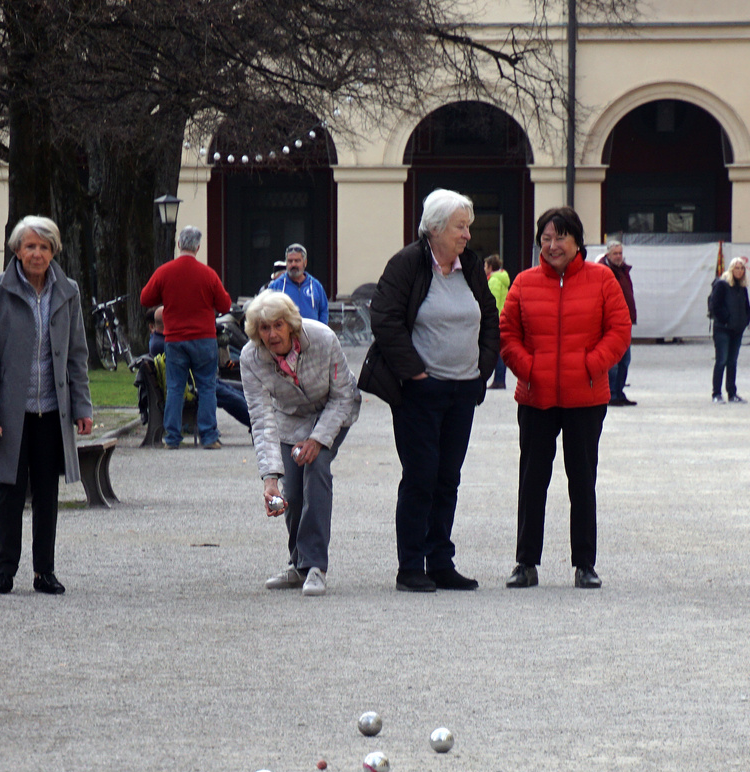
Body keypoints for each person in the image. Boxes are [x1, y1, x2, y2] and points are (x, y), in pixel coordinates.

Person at [358, 188, 499, 593]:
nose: (467, 235)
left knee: (448, 478)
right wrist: (416, 374)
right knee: (421, 477)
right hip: (421, 393)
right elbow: (385, 321)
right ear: (435, 229)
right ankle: (410, 567)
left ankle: (440, 562)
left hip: (462, 391)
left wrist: (482, 369)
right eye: (460, 226)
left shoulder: (469, 266)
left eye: (468, 227)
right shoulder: (407, 264)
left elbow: (489, 317)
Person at [500, 207, 633, 588]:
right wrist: (529, 369)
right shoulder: (524, 283)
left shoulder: (603, 279)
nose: (553, 245)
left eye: (560, 237)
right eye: (546, 237)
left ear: (577, 242)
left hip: (586, 397)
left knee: (582, 481)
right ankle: (526, 562)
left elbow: (619, 330)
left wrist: (592, 365)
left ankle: (585, 564)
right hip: (536, 396)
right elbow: (508, 334)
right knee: (532, 480)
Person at [0, 215, 95, 596]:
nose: (36, 253)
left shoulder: (67, 290)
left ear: (54, 250)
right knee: (10, 490)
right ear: (17, 251)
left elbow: (77, 354)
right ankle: (4, 569)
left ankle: (45, 572)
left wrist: (82, 407)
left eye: (43, 246)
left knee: (46, 493)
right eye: (30, 246)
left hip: (51, 410)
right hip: (11, 411)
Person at [241, 291, 360, 596]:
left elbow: (343, 395)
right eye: (264, 329)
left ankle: (316, 566)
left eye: (278, 325)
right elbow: (261, 418)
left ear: (291, 325)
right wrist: (269, 479)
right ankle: (299, 565)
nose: (272, 334)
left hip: (332, 412)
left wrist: (319, 439)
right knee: (291, 490)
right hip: (290, 421)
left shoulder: (322, 338)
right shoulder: (250, 358)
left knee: (316, 470)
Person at [140, 225, 233, 449]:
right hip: (204, 338)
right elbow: (225, 304)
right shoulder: (208, 274)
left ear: (179, 244)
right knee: (207, 387)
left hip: (175, 339)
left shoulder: (165, 272)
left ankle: (172, 437)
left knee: (174, 387)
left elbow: (145, 298)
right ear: (198, 247)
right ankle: (209, 437)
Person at [709, 256, 750, 402]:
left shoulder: (742, 287)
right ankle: (716, 393)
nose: (739, 271)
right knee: (721, 360)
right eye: (737, 268)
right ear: (731, 268)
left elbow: (747, 307)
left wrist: (744, 321)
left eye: (742, 268)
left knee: (732, 361)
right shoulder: (722, 284)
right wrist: (726, 319)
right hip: (723, 329)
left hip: (737, 329)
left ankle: (732, 393)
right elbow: (715, 305)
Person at [602, 240, 638, 406]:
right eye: (615, 253)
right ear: (608, 254)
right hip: (610, 323)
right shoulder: (603, 271)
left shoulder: (624, 270)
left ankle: (619, 391)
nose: (618, 256)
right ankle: (611, 393)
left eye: (620, 253)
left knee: (625, 360)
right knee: (614, 361)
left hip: (625, 322)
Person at [265, 243, 329, 324]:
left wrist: (322, 330)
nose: (293, 264)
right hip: (286, 335)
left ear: (305, 262)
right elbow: (268, 312)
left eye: (297, 261)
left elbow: (323, 310)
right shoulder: (276, 286)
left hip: (311, 335)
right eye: (290, 261)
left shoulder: (316, 286)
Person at [485, 253, 511, 389]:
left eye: (485, 265)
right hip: (502, 317)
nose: (484, 268)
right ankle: (499, 379)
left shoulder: (494, 281)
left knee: (497, 351)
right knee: (499, 350)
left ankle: (499, 380)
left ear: (490, 267)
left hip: (496, 319)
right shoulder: (501, 279)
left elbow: (492, 302)